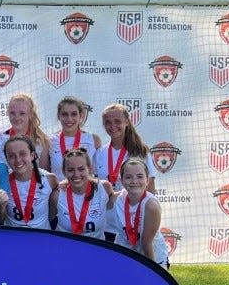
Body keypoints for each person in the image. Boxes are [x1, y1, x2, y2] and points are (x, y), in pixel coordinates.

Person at [93, 103, 157, 241]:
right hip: (107, 223)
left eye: (117, 121)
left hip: (133, 221)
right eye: (108, 122)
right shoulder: (99, 153)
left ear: (127, 122)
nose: (112, 126)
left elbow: (150, 188)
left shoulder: (140, 152)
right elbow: (95, 189)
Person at [114, 158, 169, 267]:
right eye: (128, 177)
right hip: (126, 257)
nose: (134, 181)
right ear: (122, 181)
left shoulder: (151, 205)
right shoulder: (119, 199)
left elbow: (146, 244)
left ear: (147, 180)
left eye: (140, 177)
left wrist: (152, 273)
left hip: (152, 259)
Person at [0, 135, 58, 229]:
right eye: (11, 156)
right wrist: (1, 207)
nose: (18, 160)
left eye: (22, 154)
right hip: (13, 238)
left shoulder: (49, 179)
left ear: (32, 155)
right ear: (7, 159)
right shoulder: (2, 180)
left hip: (41, 237)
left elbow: (58, 189)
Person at [53, 148, 115, 239]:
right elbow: (50, 219)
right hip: (65, 248)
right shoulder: (57, 194)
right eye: (70, 170)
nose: (76, 174)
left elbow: (122, 197)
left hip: (97, 248)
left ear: (89, 169)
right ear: (64, 172)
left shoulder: (104, 188)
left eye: (81, 169)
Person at [0, 93, 50, 171]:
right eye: (12, 113)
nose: (17, 118)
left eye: (22, 113)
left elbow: (44, 176)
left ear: (31, 114)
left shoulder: (42, 142)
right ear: (7, 113)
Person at [49, 96, 101, 181]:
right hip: (60, 192)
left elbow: (98, 173)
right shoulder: (50, 141)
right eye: (64, 114)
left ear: (81, 116)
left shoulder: (94, 140)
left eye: (74, 114)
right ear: (59, 116)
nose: (69, 119)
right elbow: (45, 176)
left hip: (85, 192)